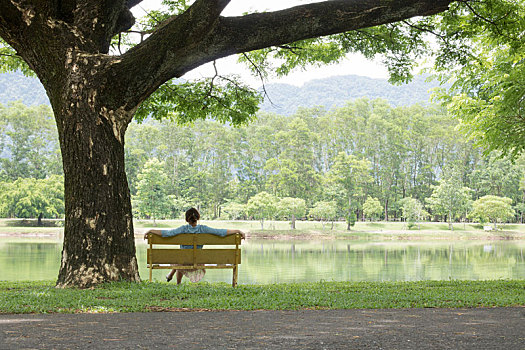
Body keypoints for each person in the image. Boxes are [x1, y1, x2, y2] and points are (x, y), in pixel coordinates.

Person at [144, 207, 245, 284]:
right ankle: (171, 275)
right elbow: (220, 232)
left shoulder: (183, 229)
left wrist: (151, 230)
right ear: (198, 218)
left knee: (179, 258)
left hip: (183, 262)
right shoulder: (203, 229)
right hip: (199, 261)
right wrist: (238, 230)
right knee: (183, 257)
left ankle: (177, 283)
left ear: (187, 219)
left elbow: (167, 234)